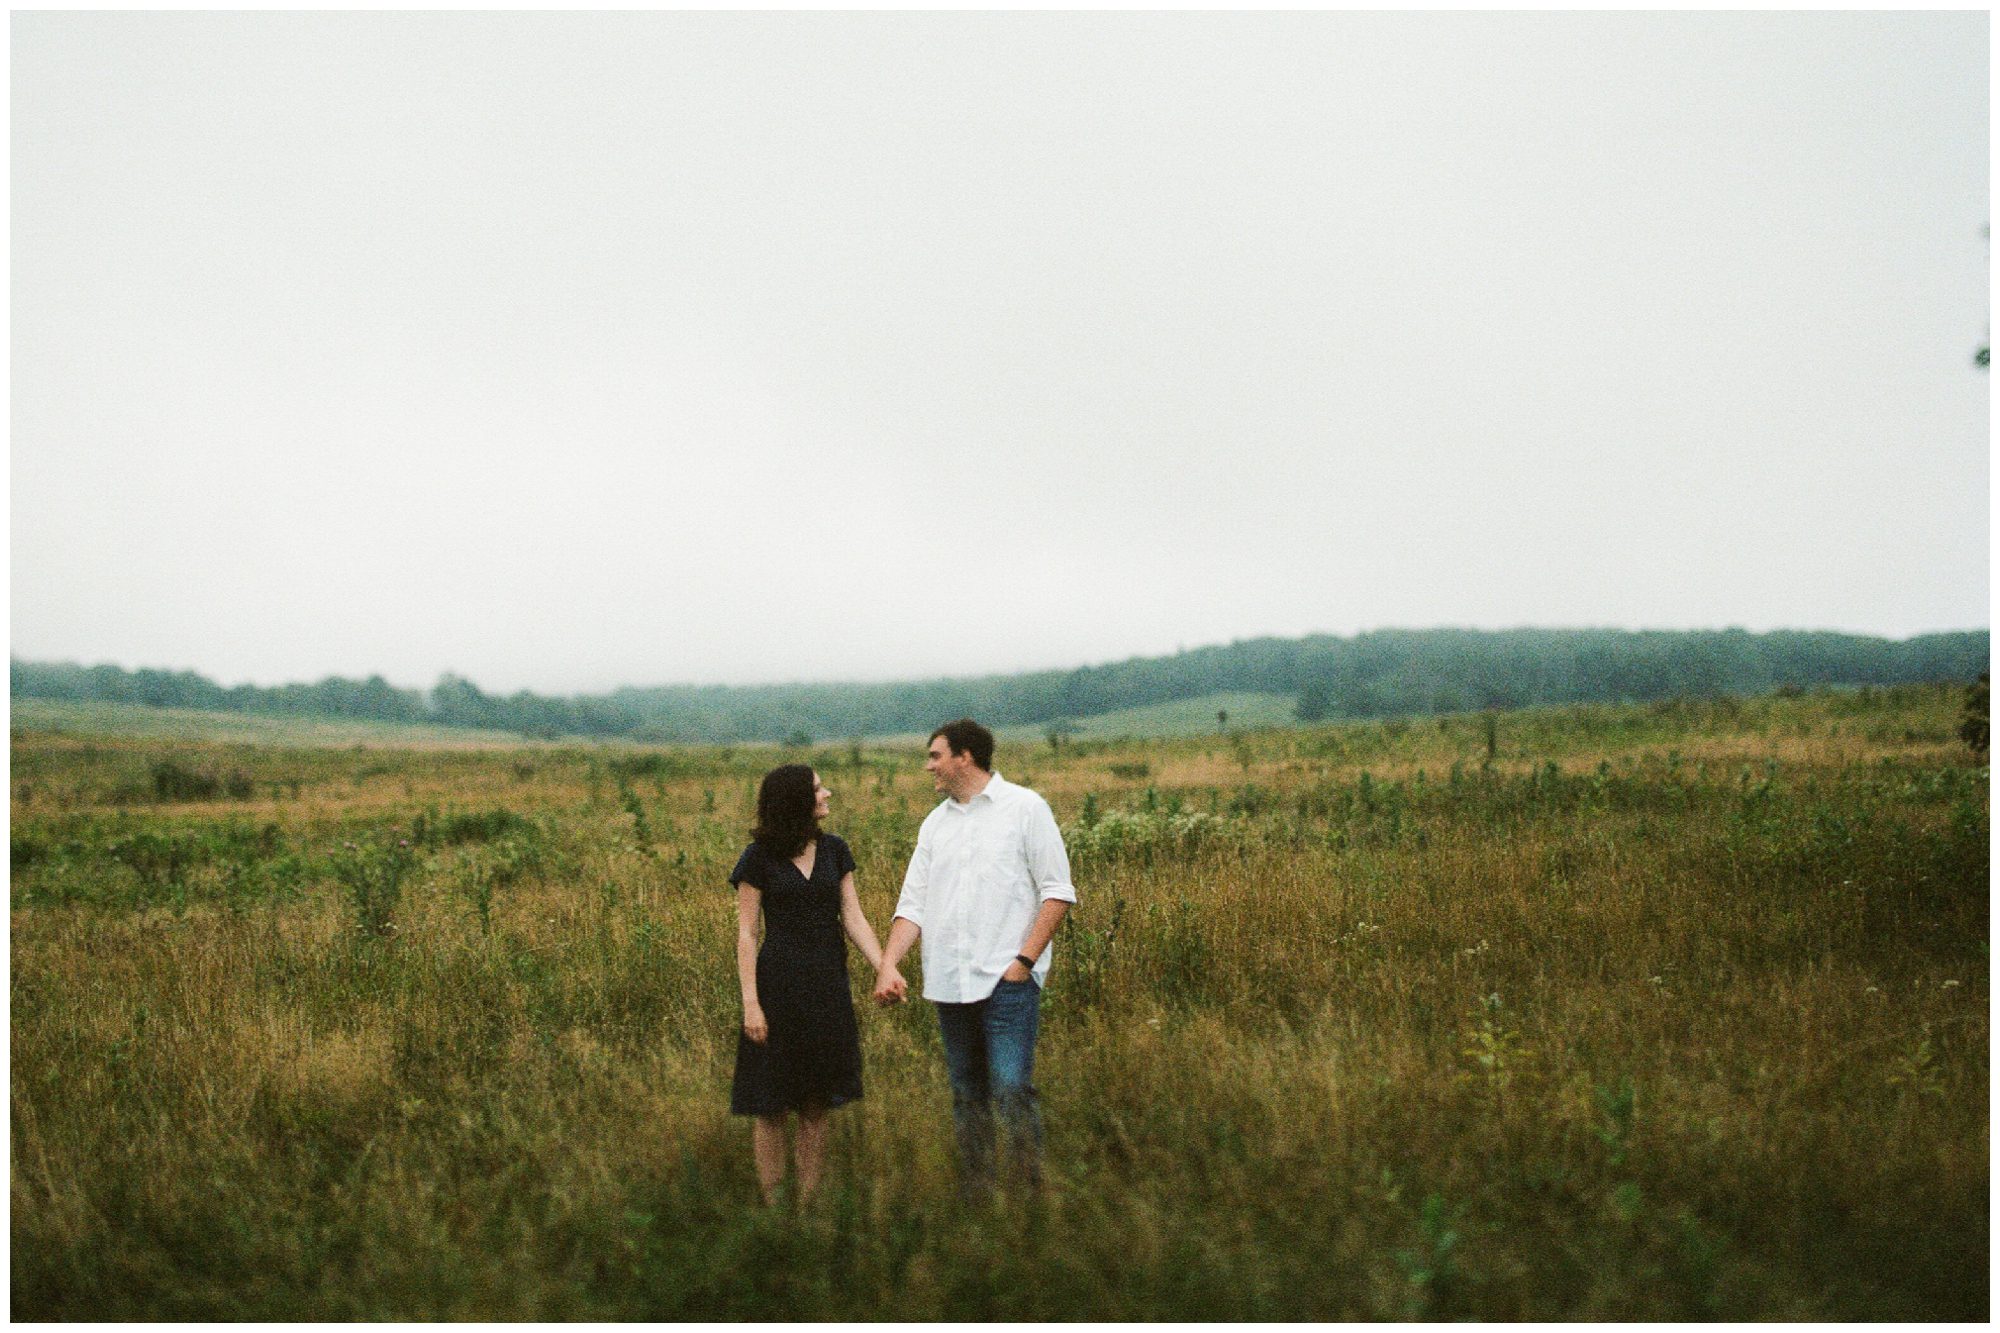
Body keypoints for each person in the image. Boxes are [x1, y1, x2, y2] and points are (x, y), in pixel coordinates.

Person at [873, 718, 1077, 1198]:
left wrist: (1023, 964)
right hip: (949, 983)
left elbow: (1057, 892)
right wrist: (888, 965)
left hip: (1008, 981)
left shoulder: (1026, 808)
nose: (929, 768)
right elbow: (912, 907)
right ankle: (978, 1196)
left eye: (935, 756)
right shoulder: (935, 824)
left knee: (1010, 1088)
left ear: (965, 757)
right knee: (967, 1096)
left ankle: (1030, 1195)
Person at [730, 764, 884, 1207]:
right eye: (819, 788)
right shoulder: (757, 858)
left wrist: (883, 966)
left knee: (816, 1104)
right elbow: (747, 934)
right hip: (776, 989)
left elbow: (852, 916)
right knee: (771, 1105)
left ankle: (810, 1207)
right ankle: (775, 1208)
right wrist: (751, 1005)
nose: (827, 793)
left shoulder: (836, 851)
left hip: (827, 987)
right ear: (798, 800)